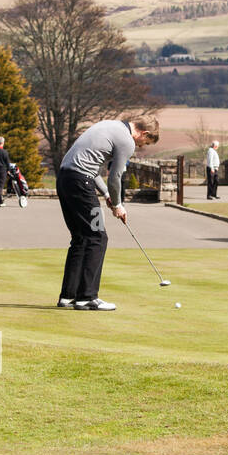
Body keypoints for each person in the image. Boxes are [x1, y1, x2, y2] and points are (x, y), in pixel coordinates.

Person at [56, 117, 159, 310]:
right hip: (81, 183)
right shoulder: (127, 140)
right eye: (143, 142)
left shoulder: (109, 125)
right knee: (97, 237)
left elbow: (92, 168)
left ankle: (68, 296)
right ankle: (86, 297)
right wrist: (118, 204)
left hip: (64, 179)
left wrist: (106, 194)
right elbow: (115, 177)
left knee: (80, 238)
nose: (139, 145)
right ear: (143, 133)